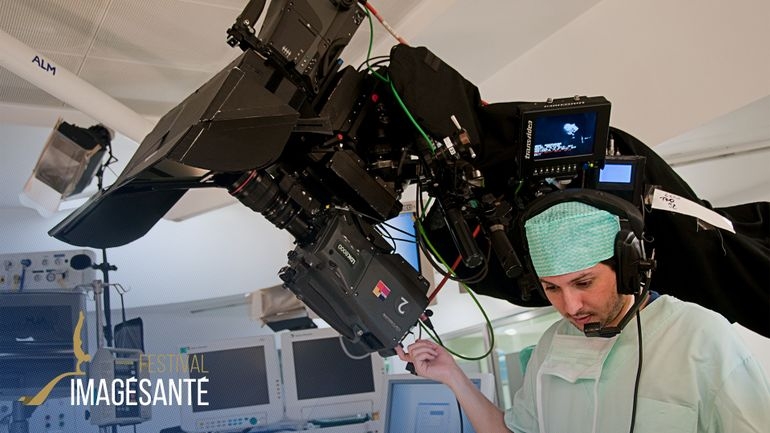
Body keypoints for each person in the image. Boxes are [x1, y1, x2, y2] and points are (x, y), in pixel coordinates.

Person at [396, 196, 770, 433]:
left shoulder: (700, 337)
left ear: (627, 266)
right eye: (552, 288)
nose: (570, 307)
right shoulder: (552, 346)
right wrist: (453, 377)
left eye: (584, 283)